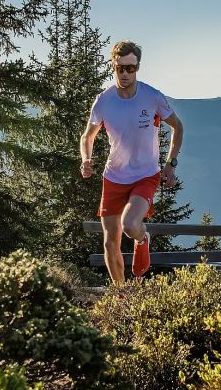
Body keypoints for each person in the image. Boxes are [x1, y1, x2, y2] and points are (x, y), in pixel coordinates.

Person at [79, 40, 184, 285]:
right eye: (120, 68)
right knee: (109, 241)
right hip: (114, 175)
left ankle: (141, 239)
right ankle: (120, 293)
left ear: (138, 67)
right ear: (112, 67)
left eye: (131, 68)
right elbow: (88, 136)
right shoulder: (104, 100)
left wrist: (171, 163)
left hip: (146, 174)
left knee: (130, 224)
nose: (125, 74)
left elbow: (177, 126)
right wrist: (86, 159)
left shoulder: (152, 97)